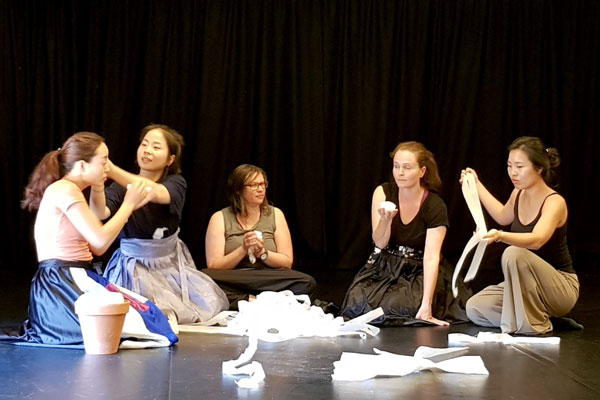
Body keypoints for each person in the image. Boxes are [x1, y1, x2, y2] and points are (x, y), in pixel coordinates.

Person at [2, 132, 177, 346]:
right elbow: (101, 241)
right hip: (61, 280)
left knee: (149, 315)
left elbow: (97, 245)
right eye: (104, 162)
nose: (108, 169)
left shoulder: (70, 189)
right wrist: (129, 204)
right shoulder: (65, 190)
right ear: (83, 166)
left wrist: (98, 187)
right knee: (132, 326)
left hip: (74, 275)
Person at [96, 124, 229, 323]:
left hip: (168, 265)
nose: (147, 150)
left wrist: (111, 169)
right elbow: (100, 211)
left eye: (156, 147)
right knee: (135, 317)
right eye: (144, 144)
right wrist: (97, 185)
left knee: (192, 309)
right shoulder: (119, 187)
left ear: (170, 159)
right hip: (131, 268)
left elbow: (153, 192)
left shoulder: (176, 183)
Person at [340, 141, 471, 326]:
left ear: (422, 171)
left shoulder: (434, 205)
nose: (400, 173)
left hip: (418, 269)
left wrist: (426, 305)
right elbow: (379, 243)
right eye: (396, 166)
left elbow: (431, 257)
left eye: (407, 168)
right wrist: (385, 220)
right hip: (386, 264)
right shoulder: (383, 192)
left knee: (396, 307)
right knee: (358, 302)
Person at [462, 136, 579, 335]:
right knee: (476, 307)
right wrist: (476, 184)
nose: (513, 173)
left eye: (519, 166)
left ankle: (532, 324)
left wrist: (499, 236)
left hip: (560, 287)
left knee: (514, 253)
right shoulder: (518, 193)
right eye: (509, 166)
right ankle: (535, 318)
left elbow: (537, 240)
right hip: (528, 287)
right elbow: (501, 215)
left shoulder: (554, 202)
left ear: (539, 169)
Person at [203, 164, 316, 309]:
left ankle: (245, 300)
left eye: (263, 184)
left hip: (267, 277)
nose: (260, 189)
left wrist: (263, 253)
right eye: (254, 185)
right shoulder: (219, 218)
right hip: (235, 278)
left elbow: (287, 262)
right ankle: (256, 300)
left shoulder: (275, 214)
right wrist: (243, 249)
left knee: (307, 282)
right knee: (203, 279)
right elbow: (214, 266)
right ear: (239, 189)